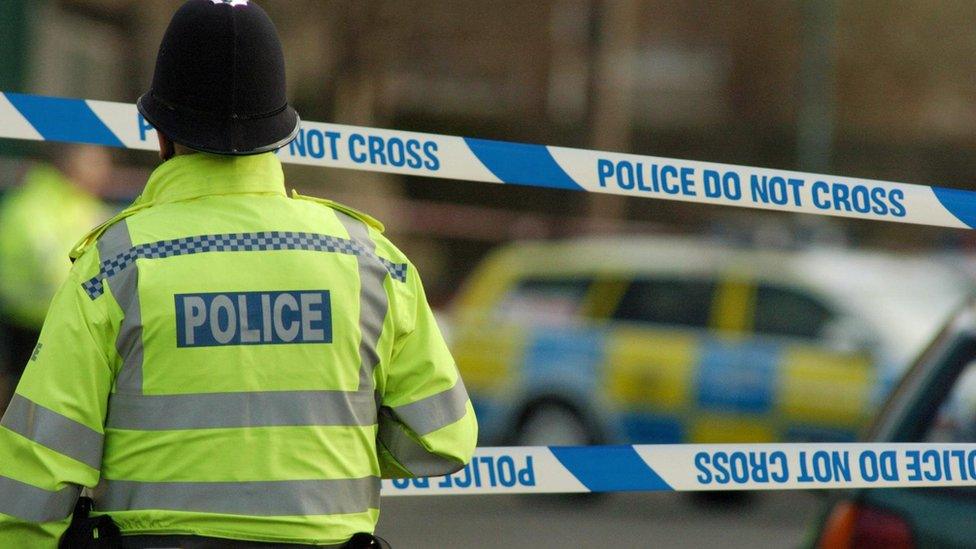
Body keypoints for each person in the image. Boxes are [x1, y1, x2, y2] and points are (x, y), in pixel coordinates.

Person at [0, 1, 477, 547]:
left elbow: (34, 479)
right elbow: (443, 440)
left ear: (160, 133)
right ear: (281, 134)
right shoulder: (371, 261)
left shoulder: (114, 266)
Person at [0, 145, 112, 415]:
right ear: (70, 167)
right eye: (95, 165)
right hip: (30, 320)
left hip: (47, 317)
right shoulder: (40, 205)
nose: (104, 174)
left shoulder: (85, 207)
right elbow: (50, 267)